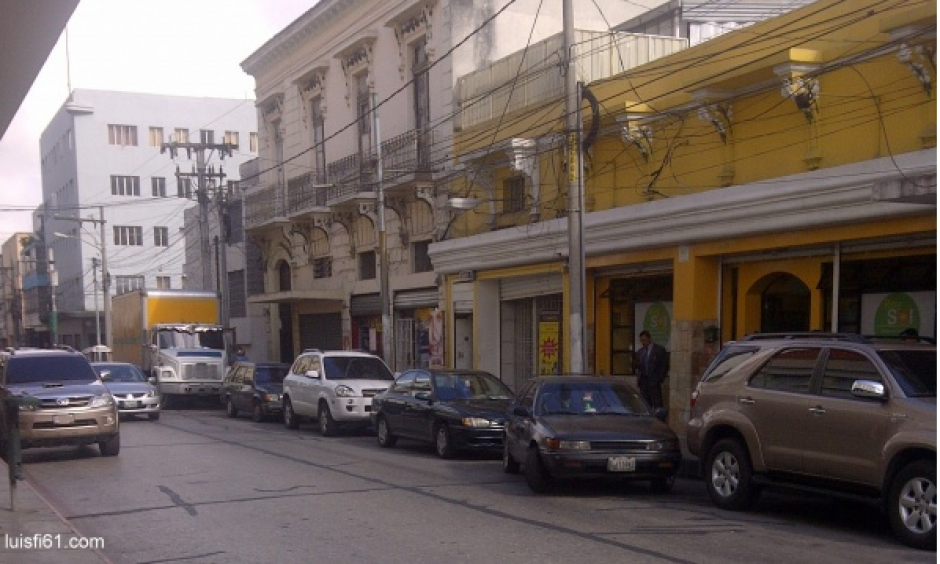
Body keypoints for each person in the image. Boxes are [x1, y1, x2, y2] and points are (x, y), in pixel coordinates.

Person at [635, 330, 669, 409]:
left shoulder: (659, 350)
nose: (643, 342)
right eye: (641, 341)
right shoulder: (640, 352)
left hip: (654, 382)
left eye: (644, 340)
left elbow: (664, 366)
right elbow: (639, 366)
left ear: (649, 339)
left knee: (657, 404)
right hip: (643, 383)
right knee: (645, 405)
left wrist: (659, 379)